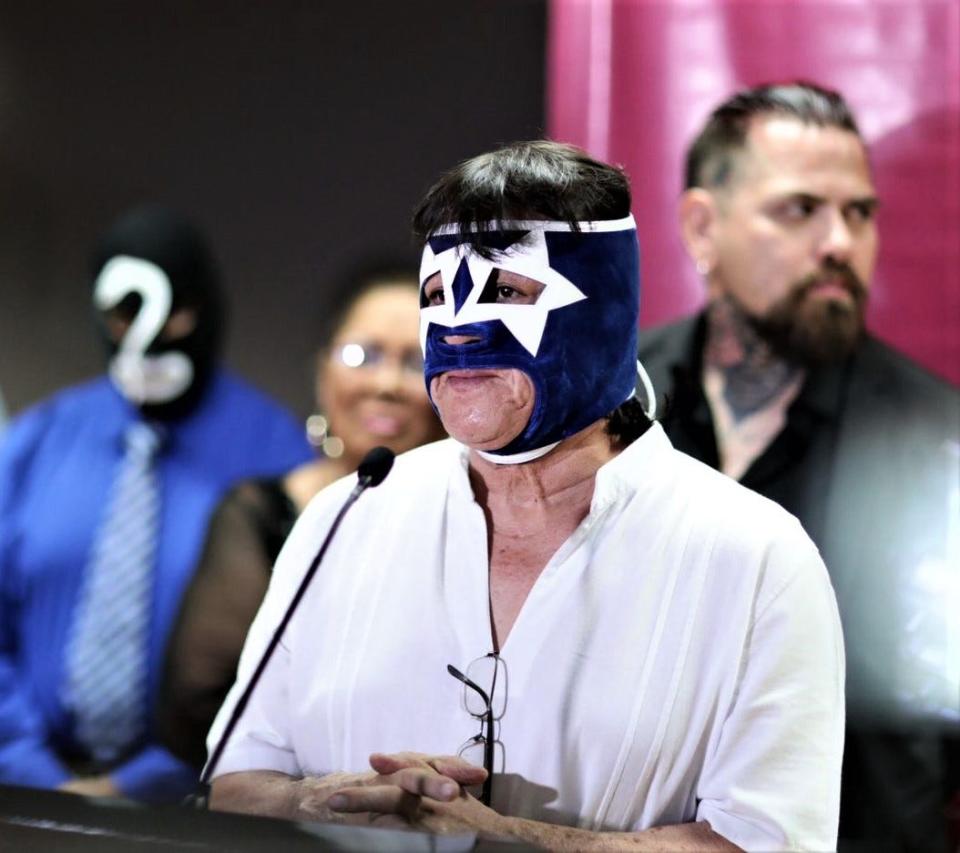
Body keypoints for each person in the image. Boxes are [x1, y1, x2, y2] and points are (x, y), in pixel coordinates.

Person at [206, 141, 845, 851]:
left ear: (606, 306)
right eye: (437, 295)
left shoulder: (757, 560)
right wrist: (325, 799)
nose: (459, 327)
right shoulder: (346, 517)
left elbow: (768, 842)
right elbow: (233, 782)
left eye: (506, 291)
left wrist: (508, 840)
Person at [637, 82, 960, 852]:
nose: (840, 244)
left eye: (860, 213)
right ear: (702, 228)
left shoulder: (937, 439)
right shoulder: (612, 407)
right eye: (799, 209)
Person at [0, 205, 313, 803]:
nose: (150, 336)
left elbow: (283, 667)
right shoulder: (39, 441)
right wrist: (33, 772)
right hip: (23, 795)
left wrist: (144, 783)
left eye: (176, 315)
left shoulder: (277, 458)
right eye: (125, 316)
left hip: (195, 806)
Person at [156, 267, 444, 768]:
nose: (386, 384)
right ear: (322, 370)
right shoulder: (260, 511)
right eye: (362, 355)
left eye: (417, 361)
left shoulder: (481, 519)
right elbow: (195, 705)